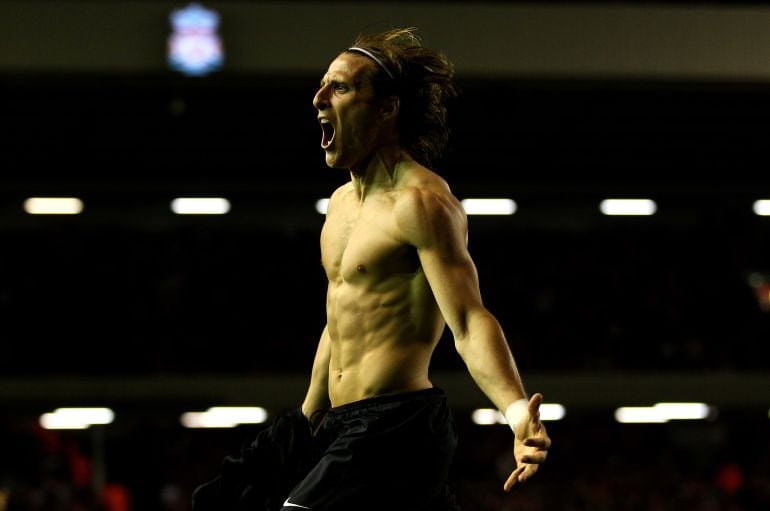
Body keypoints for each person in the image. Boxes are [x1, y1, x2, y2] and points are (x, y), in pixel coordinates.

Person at [192, 26, 551, 511]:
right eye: (321, 85)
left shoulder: (422, 203)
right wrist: (305, 421)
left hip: (397, 427)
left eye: (340, 87)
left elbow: (467, 320)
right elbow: (340, 320)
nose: (318, 97)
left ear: (387, 109)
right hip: (339, 423)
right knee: (221, 502)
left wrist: (514, 411)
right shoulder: (339, 205)